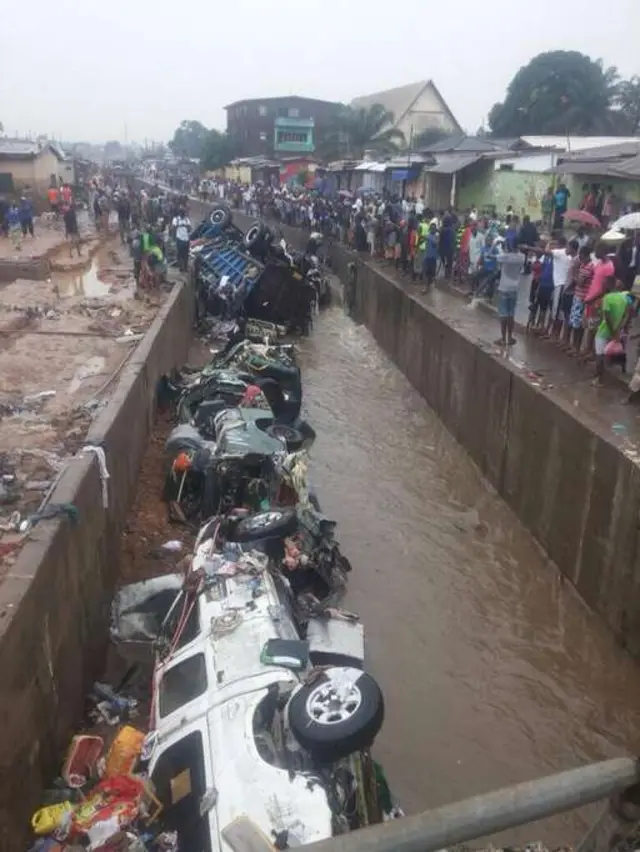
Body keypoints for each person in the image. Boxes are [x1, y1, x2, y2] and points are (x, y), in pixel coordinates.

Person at [593, 279, 631, 387]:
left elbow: (606, 316)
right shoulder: (624, 298)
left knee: (599, 355)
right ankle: (609, 374)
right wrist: (619, 328)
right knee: (609, 354)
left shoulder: (607, 298)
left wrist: (612, 329)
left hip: (605, 330)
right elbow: (626, 315)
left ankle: (599, 380)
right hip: (617, 331)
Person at [568, 245, 594, 354]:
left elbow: (580, 282)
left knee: (577, 324)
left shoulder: (588, 266)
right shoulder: (585, 265)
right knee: (576, 323)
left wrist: (574, 273)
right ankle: (575, 347)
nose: (580, 258)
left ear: (585, 255)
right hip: (579, 296)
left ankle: (576, 348)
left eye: (581, 256)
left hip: (581, 297)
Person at [495, 249, 524, 346]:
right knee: (511, 313)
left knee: (503, 314)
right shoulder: (521, 257)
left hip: (504, 288)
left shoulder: (505, 256)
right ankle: (510, 337)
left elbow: (490, 255)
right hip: (514, 288)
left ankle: (503, 339)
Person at [172, 208, 191, 272]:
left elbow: (189, 229)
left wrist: (186, 226)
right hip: (179, 239)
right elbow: (173, 228)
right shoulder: (175, 219)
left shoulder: (187, 219)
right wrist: (179, 225)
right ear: (180, 214)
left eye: (184, 214)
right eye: (182, 214)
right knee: (180, 254)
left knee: (186, 255)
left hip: (186, 239)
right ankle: (181, 267)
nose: (184, 215)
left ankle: (185, 268)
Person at [422, 223, 439, 287]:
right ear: (430, 229)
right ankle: (426, 286)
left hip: (433, 258)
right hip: (427, 257)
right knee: (426, 273)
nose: (433, 229)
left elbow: (436, 243)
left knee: (432, 274)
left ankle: (429, 284)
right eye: (432, 228)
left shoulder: (436, 236)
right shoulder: (427, 235)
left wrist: (428, 238)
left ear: (435, 229)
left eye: (434, 228)